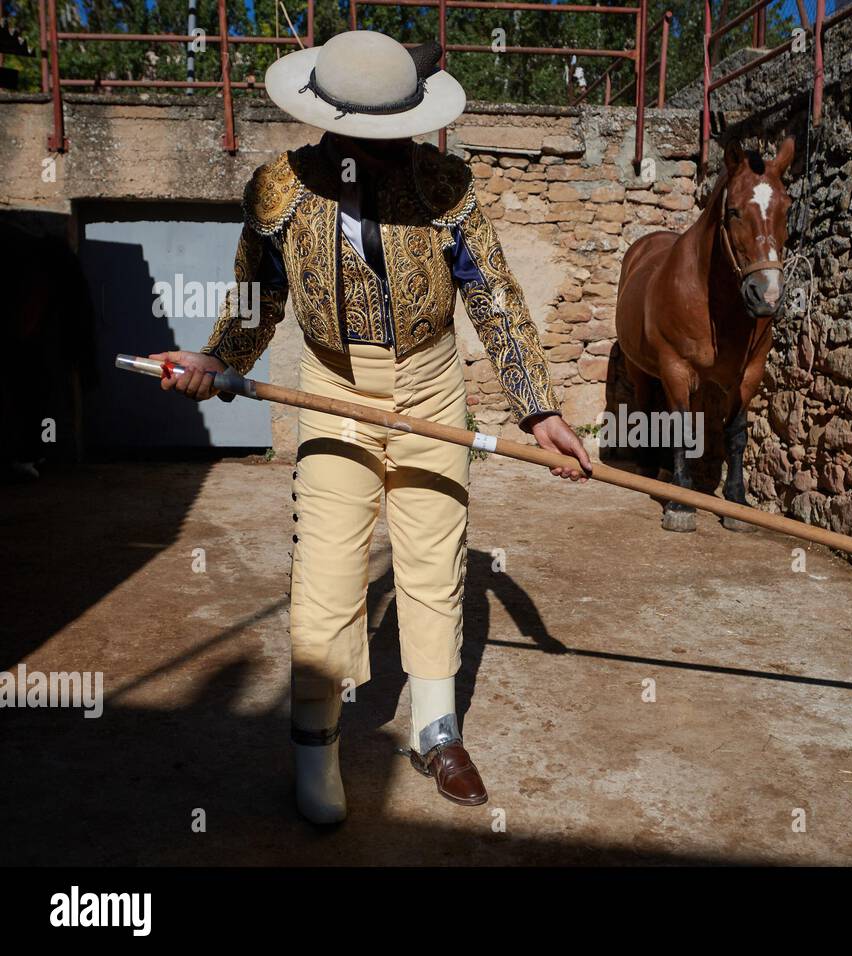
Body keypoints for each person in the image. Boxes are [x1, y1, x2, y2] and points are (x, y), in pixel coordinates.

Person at [152, 29, 591, 824]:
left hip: (429, 390)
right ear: (331, 121)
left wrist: (540, 407)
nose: (395, 146)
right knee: (325, 564)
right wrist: (216, 361)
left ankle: (436, 728)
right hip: (333, 386)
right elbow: (258, 300)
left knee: (432, 556)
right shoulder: (277, 192)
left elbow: (493, 297)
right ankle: (314, 744)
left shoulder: (446, 185)